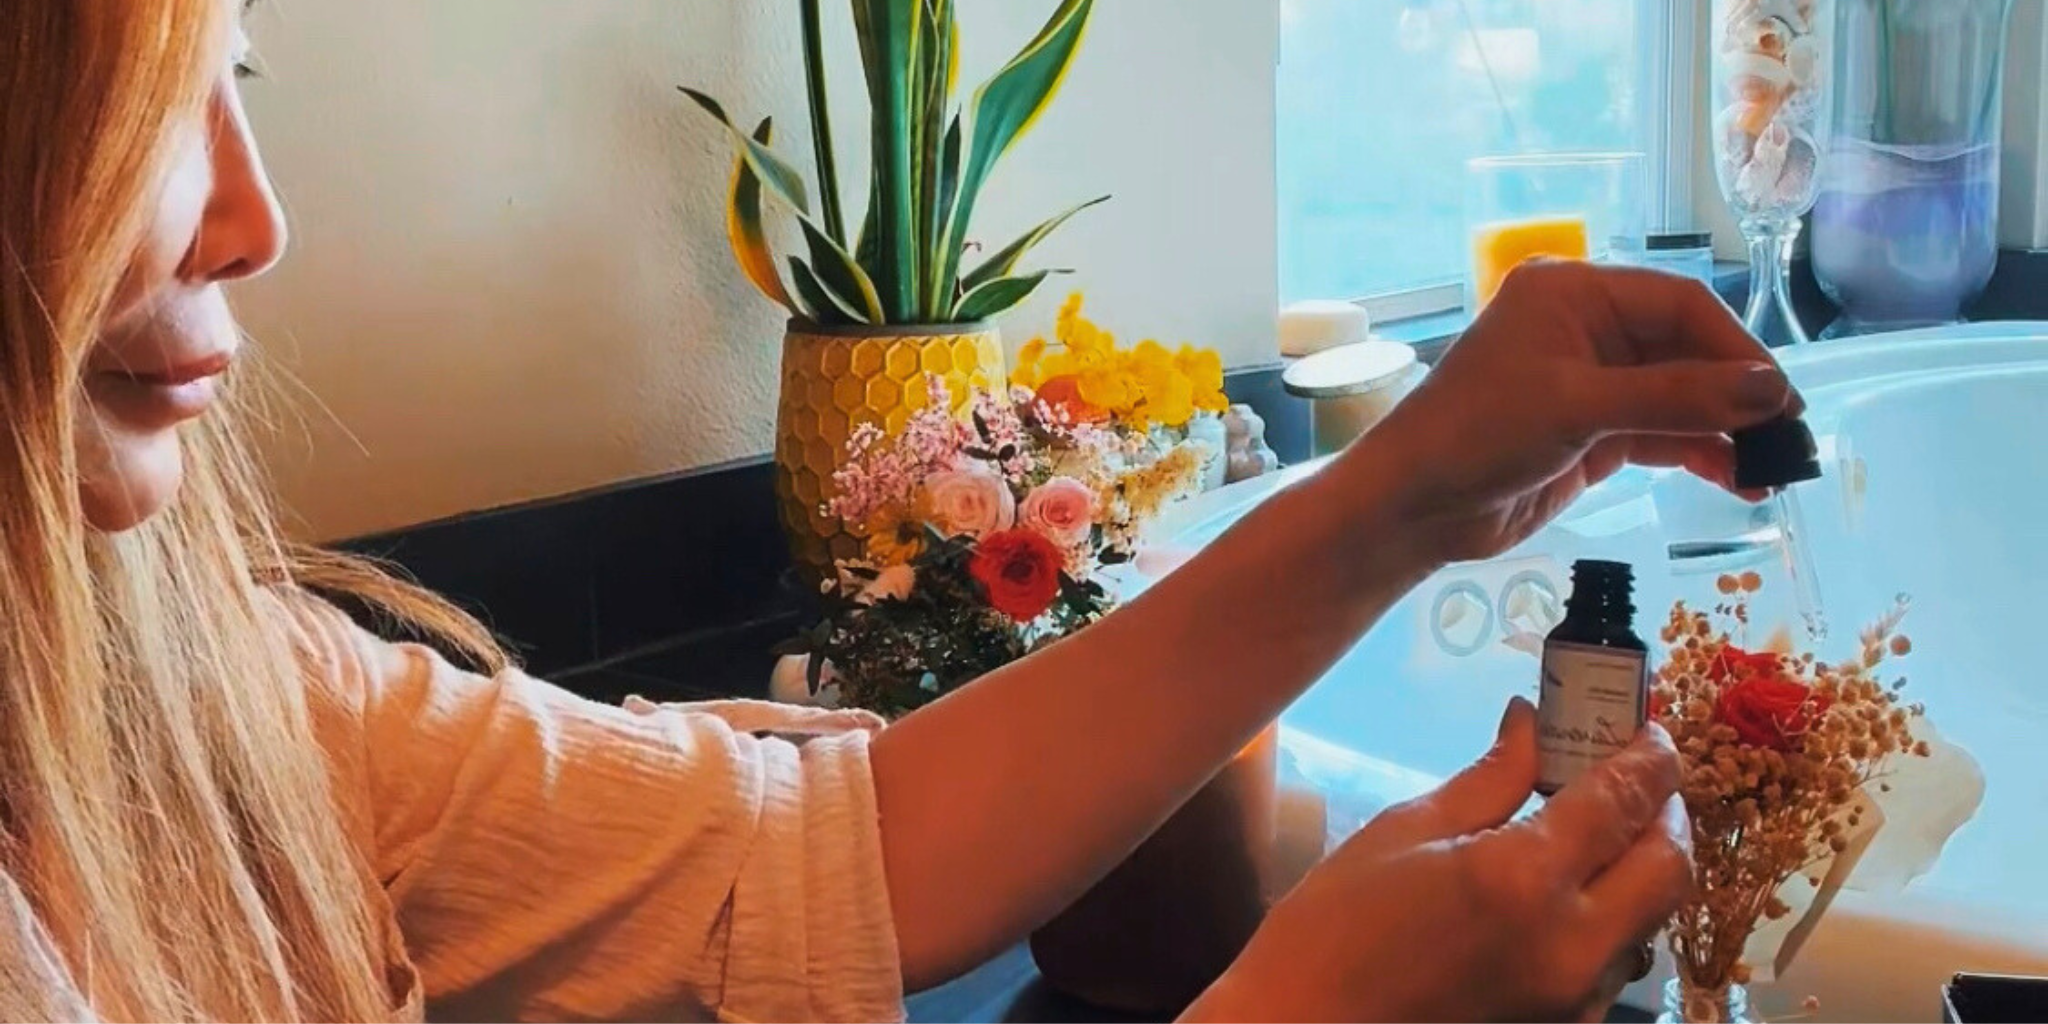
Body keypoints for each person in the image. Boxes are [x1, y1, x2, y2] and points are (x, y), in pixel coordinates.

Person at [0, 1, 1801, 1021]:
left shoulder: (189, 675)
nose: (254, 221)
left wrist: (1404, 493)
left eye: (238, 81)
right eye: (152, 102)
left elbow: (818, 855)